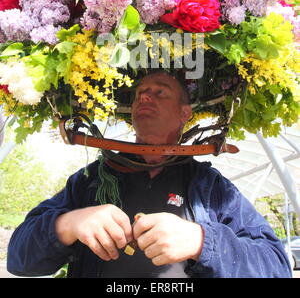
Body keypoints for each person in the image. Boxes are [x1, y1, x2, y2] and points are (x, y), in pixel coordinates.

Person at [7, 71, 292, 278]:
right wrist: (67, 224)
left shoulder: (211, 188)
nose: (144, 96)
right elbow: (18, 260)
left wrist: (202, 242)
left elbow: (277, 267)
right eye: (138, 94)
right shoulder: (89, 180)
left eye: (159, 91)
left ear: (184, 113)